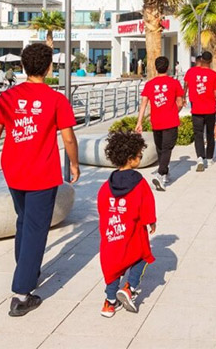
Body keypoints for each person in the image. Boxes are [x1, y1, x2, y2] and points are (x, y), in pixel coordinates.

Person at [0, 42, 80, 317]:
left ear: (23, 66)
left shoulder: (8, 97)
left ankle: (26, 266)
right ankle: (22, 294)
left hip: (13, 171)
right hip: (42, 173)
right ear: (48, 68)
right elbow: (68, 137)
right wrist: (75, 164)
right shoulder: (56, 99)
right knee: (35, 227)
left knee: (24, 221)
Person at [98, 130, 156, 317]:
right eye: (139, 155)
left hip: (111, 234)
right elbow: (146, 205)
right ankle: (129, 287)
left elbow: (102, 208)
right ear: (131, 158)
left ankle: (109, 302)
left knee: (113, 267)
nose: (140, 158)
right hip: (133, 233)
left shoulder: (107, 185)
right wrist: (150, 222)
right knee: (142, 256)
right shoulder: (139, 183)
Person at [136, 55, 184, 191]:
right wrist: (175, 110)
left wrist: (139, 122)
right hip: (171, 121)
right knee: (167, 149)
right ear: (168, 67)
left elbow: (143, 104)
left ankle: (165, 172)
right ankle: (160, 174)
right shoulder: (174, 83)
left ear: (155, 68)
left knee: (161, 149)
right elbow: (180, 102)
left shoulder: (150, 84)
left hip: (156, 122)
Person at [183, 51, 216, 172]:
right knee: (210, 134)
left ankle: (200, 157)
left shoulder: (191, 72)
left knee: (198, 134)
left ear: (200, 60)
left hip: (197, 109)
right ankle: (209, 158)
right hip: (210, 109)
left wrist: (184, 97)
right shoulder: (214, 74)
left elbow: (186, 85)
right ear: (210, 61)